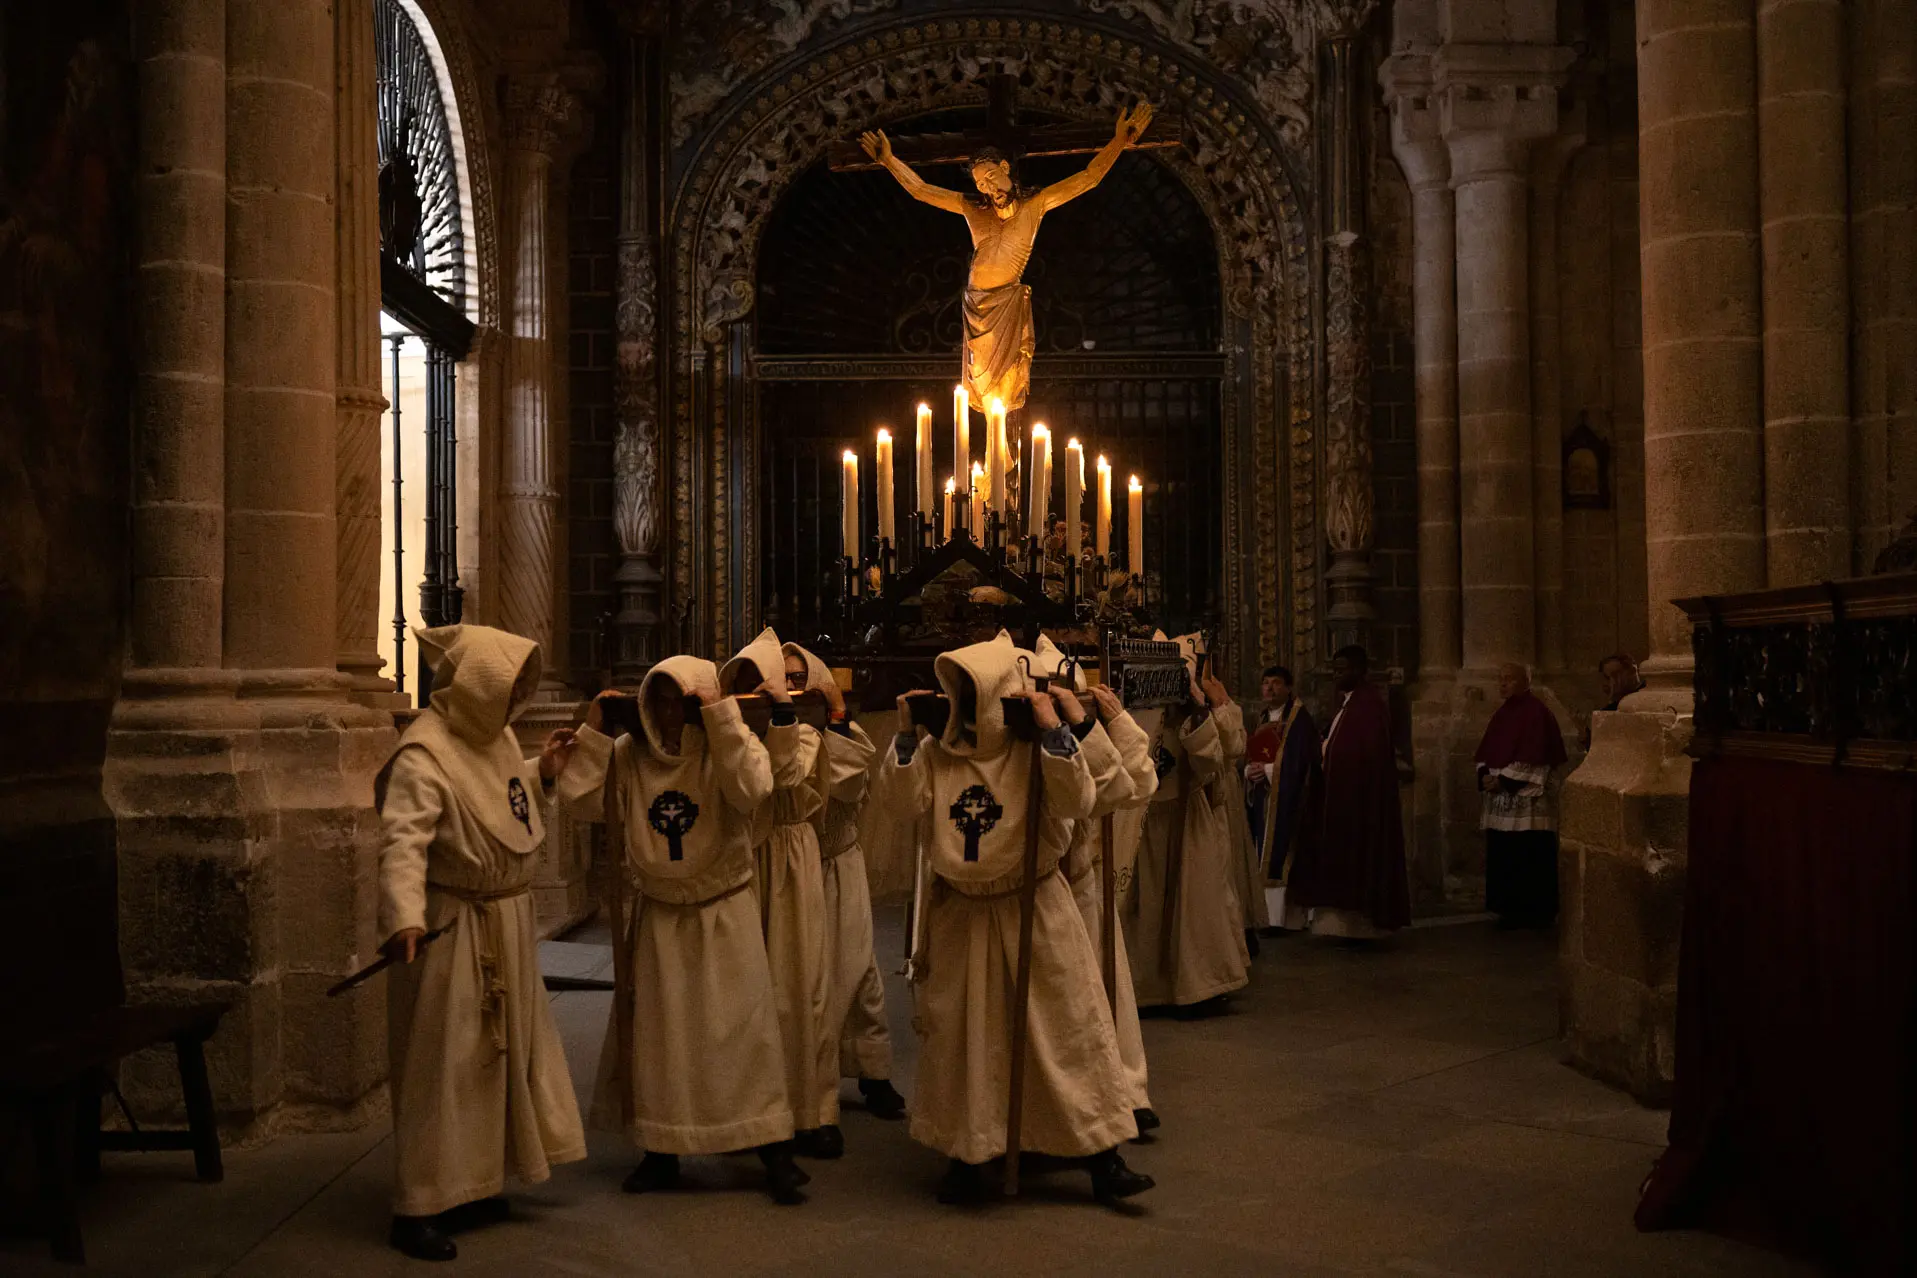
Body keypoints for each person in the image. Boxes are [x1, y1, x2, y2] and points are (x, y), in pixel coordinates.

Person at [877, 634, 1153, 1206]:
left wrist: (1056, 730)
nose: (963, 701)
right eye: (956, 689)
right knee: (965, 1041)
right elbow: (904, 804)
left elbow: (1081, 801)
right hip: (962, 912)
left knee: (1064, 1033)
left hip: (1033, 906)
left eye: (972, 689)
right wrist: (905, 733)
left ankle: (1102, 1156)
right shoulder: (936, 752)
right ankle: (966, 1153)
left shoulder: (1030, 748)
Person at [556, 655, 807, 1204]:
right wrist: (595, 731)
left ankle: (772, 1148)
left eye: (683, 702)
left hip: (724, 912)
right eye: (661, 700)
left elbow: (753, 789)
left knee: (744, 1036)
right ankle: (661, 1149)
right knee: (660, 1040)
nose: (671, 714)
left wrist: (721, 720)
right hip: (662, 916)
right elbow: (579, 801)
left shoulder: (724, 747)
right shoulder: (630, 755)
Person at [375, 624, 586, 1262]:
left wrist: (541, 774)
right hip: (453, 928)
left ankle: (476, 1183)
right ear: (476, 687)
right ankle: (419, 1204)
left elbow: (499, 801)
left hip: (505, 923)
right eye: (509, 686)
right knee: (444, 1064)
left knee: (494, 1061)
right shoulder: (423, 753)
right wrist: (404, 918)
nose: (515, 699)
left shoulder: (490, 742)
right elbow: (403, 842)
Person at [859, 103, 1154, 411]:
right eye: (980, 184)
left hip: (1008, 304)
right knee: (983, 392)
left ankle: (1006, 452)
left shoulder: (1034, 205)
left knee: (1007, 389)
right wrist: (889, 160)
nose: (987, 187)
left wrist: (1120, 141)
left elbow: (1088, 177)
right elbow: (921, 189)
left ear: (1004, 167)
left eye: (989, 176)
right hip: (977, 307)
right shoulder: (973, 208)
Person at [1034, 635, 1159, 1135]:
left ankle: (1124, 1089)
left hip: (1081, 884)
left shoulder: (1084, 734)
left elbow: (1135, 783)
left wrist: (1105, 722)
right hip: (1039, 890)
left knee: (1105, 994)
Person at [721, 628, 838, 1160]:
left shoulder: (806, 732)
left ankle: (810, 1110)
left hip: (791, 856)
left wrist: (785, 717)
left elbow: (787, 775)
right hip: (746, 861)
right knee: (749, 991)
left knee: (799, 985)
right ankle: (749, 1109)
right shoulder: (734, 734)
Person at [782, 639, 908, 1124]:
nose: (792, 689)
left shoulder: (846, 733)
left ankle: (872, 1073)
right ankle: (804, 1081)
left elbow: (843, 784)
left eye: (800, 679)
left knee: (856, 973)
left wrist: (834, 714)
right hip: (787, 874)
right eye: (783, 680)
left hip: (835, 866)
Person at [1126, 638, 1252, 1010]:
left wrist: (1199, 708)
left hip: (1188, 817)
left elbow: (1214, 760)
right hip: (1146, 819)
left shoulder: (1195, 712)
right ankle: (1149, 988)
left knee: (1196, 906)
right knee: (1147, 910)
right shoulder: (1139, 710)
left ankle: (1201, 984)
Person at [1285, 645, 1411, 939]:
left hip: (1357, 801)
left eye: (1343, 669)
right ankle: (1341, 925)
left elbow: (1368, 755)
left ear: (1359, 670)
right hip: (1339, 796)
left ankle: (1360, 926)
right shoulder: (1348, 703)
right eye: (1335, 668)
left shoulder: (1369, 706)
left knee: (1357, 860)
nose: (1337, 674)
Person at [1476, 664, 1569, 928]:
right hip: (1500, 795)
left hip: (1526, 800)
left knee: (1528, 853)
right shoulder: (1501, 714)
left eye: (1509, 679)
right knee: (1504, 854)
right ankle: (1507, 908)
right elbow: (1486, 750)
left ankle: (1534, 911)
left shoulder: (1537, 713)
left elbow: (1537, 754)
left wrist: (1503, 780)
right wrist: (1485, 774)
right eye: (1500, 679)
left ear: (1525, 682)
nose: (1503, 684)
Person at [1245, 665, 1320, 926]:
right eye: (1265, 683)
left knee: (1282, 852)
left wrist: (1267, 770)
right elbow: (1254, 753)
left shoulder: (1299, 720)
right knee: (1262, 849)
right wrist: (1250, 771)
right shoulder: (1262, 717)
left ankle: (1283, 919)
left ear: (1289, 688)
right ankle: (1265, 916)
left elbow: (1301, 762)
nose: (1269, 688)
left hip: (1288, 801)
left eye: (1276, 683)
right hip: (1264, 798)